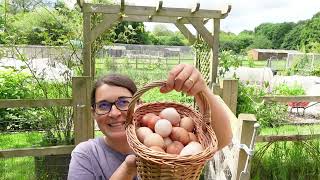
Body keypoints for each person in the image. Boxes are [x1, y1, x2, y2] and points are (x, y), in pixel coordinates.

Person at [68, 64, 233, 180]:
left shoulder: (163, 141)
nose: (114, 113)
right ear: (93, 113)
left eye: (124, 102)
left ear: (138, 106)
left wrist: (201, 90)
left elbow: (223, 139)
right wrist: (129, 167)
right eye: (103, 105)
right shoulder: (87, 155)